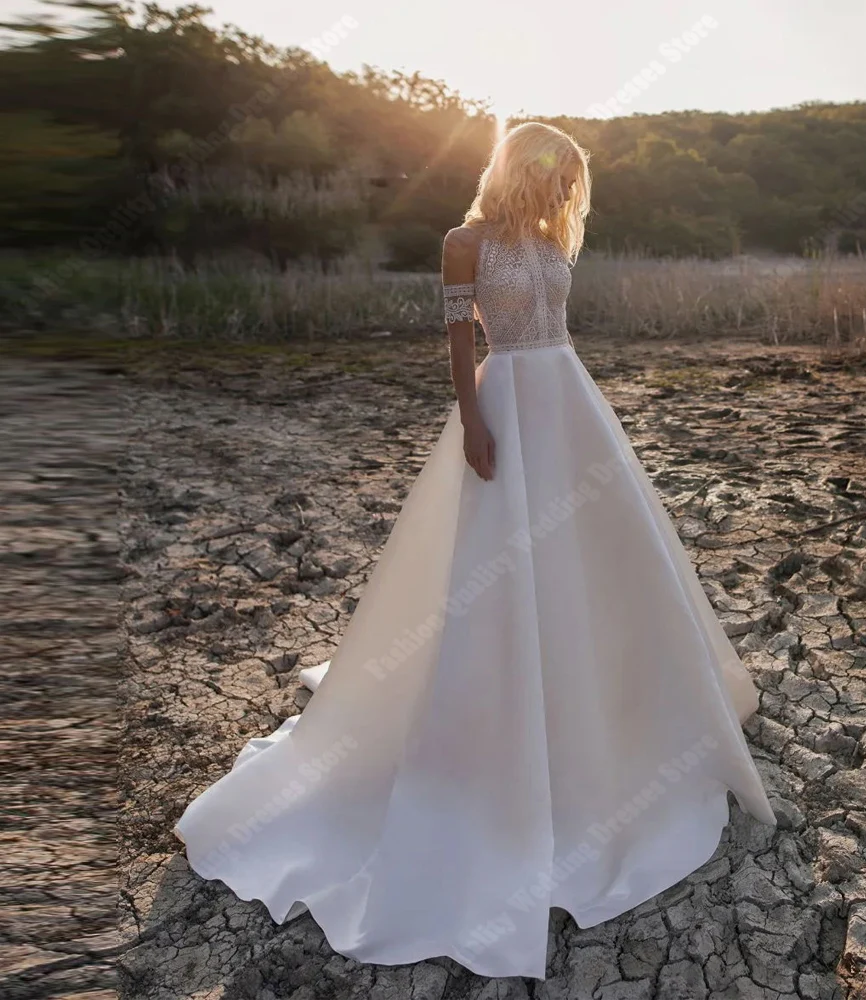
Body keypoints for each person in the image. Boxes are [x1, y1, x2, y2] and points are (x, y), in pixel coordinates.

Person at [173, 121, 777, 981]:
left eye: (572, 177)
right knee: (504, 567)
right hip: (510, 398)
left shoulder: (546, 237)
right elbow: (461, 340)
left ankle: (620, 704)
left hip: (570, 399)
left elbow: (551, 318)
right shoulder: (465, 242)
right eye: (556, 173)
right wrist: (475, 424)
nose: (565, 188)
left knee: (604, 561)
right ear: (518, 169)